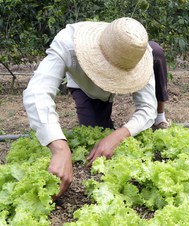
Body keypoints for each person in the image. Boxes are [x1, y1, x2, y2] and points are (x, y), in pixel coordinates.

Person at [23, 17, 165, 199]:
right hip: (86, 88)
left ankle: (162, 118)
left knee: (158, 53)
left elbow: (147, 108)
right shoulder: (68, 43)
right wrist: (59, 147)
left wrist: (119, 135)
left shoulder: (136, 53)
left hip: (141, 59)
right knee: (95, 138)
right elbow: (37, 91)